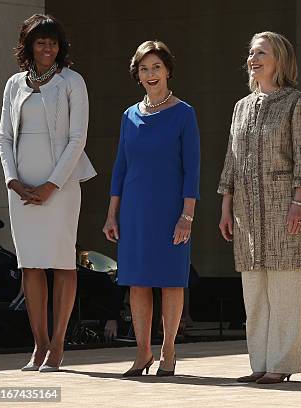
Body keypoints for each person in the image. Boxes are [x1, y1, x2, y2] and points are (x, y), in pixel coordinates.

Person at [0, 14, 97, 372]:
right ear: (28, 46)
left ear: (60, 46)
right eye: (40, 41)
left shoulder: (73, 81)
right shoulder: (13, 84)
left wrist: (52, 184)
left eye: (53, 41)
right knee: (31, 264)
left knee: (62, 261)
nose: (48, 47)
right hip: (21, 188)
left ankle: (57, 346)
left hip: (62, 186)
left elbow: (77, 138)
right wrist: (13, 180)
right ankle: (38, 346)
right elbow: (4, 137)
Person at [218, 31, 301, 384]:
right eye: (251, 53)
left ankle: (282, 364)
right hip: (247, 214)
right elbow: (231, 160)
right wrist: (226, 206)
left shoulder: (297, 102)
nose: (253, 58)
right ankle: (259, 363)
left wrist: (299, 202)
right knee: (255, 296)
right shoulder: (241, 107)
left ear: (280, 60)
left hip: (286, 209)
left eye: (261, 52)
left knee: (285, 293)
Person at [103, 40, 200, 377]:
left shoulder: (184, 113)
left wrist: (187, 216)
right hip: (134, 211)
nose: (151, 73)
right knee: (138, 282)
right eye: (144, 68)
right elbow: (120, 166)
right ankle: (142, 352)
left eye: (156, 67)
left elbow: (192, 169)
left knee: (171, 282)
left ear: (168, 70)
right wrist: (112, 213)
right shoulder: (129, 116)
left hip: (171, 211)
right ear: (137, 74)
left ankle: (168, 350)